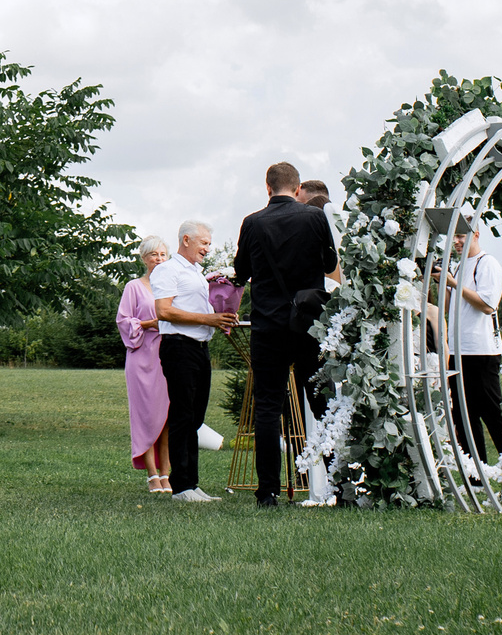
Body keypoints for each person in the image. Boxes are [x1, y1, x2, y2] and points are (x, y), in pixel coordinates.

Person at [234, 162, 344, 507]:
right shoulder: (313, 218)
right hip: (306, 323)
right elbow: (329, 264)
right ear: (297, 189)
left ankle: (267, 491)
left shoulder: (252, 223)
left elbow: (240, 271)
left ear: (268, 188)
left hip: (267, 324)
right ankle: (340, 484)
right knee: (320, 400)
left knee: (267, 406)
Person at [150, 222, 234, 501]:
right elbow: (163, 311)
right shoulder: (167, 270)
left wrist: (220, 317)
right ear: (186, 239)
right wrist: (208, 319)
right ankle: (181, 487)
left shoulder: (198, 274)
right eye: (204, 243)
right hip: (178, 347)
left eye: (209, 244)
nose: (207, 249)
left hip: (200, 348)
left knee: (195, 417)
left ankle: (192, 484)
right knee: (183, 415)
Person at [444, 220, 502, 478]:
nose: (457, 242)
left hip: (482, 352)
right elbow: (455, 305)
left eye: (461, 236)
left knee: (492, 415)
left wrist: (454, 284)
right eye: (454, 237)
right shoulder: (460, 267)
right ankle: (476, 475)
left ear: (476, 235)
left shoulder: (487, 263)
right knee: (464, 417)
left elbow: (487, 305)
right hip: (460, 352)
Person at [118, 237, 173, 495]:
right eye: (153, 255)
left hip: (168, 355)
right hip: (141, 357)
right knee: (146, 415)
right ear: (144, 258)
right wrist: (150, 323)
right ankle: (152, 474)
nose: (159, 259)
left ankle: (167, 472)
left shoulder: (172, 287)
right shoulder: (134, 287)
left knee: (167, 417)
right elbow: (124, 321)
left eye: (163, 254)